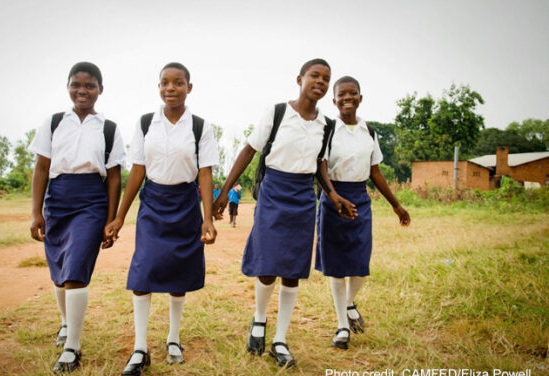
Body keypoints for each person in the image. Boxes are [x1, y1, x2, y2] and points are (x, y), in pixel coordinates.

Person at [214, 59, 352, 368]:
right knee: (268, 262)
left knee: (293, 269)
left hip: (304, 196)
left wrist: (332, 194)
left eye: (325, 78)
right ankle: (259, 320)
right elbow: (249, 149)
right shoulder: (277, 113)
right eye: (314, 75)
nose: (320, 81)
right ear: (299, 78)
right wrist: (224, 190)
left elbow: (320, 165)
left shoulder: (326, 125)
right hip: (274, 190)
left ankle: (280, 339)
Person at [104, 62, 218, 376]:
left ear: (189, 88)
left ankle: (173, 339)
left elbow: (206, 173)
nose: (171, 88)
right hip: (153, 204)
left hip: (185, 203)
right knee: (143, 272)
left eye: (178, 83)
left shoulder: (199, 126)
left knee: (179, 272)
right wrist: (119, 217)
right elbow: (137, 171)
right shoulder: (144, 123)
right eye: (164, 83)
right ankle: (140, 348)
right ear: (158, 87)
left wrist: (208, 219)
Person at [28, 62, 125, 374]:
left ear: (100, 89)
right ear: (68, 87)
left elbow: (113, 177)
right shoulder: (55, 123)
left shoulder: (108, 128)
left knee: (76, 270)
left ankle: (73, 347)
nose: (82, 91)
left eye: (90, 85)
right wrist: (36, 212)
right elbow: (42, 168)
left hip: (91, 202)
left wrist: (112, 218)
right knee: (59, 267)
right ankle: (65, 323)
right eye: (76, 85)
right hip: (57, 200)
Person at [316, 76, 410, 350]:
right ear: (334, 101)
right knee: (335, 266)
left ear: (360, 97)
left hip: (360, 197)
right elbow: (321, 165)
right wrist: (332, 195)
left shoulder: (369, 131)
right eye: (341, 95)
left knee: (360, 264)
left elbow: (375, 171)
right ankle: (342, 325)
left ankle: (348, 303)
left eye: (352, 93)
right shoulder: (328, 129)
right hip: (333, 196)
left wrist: (396, 204)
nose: (347, 98)